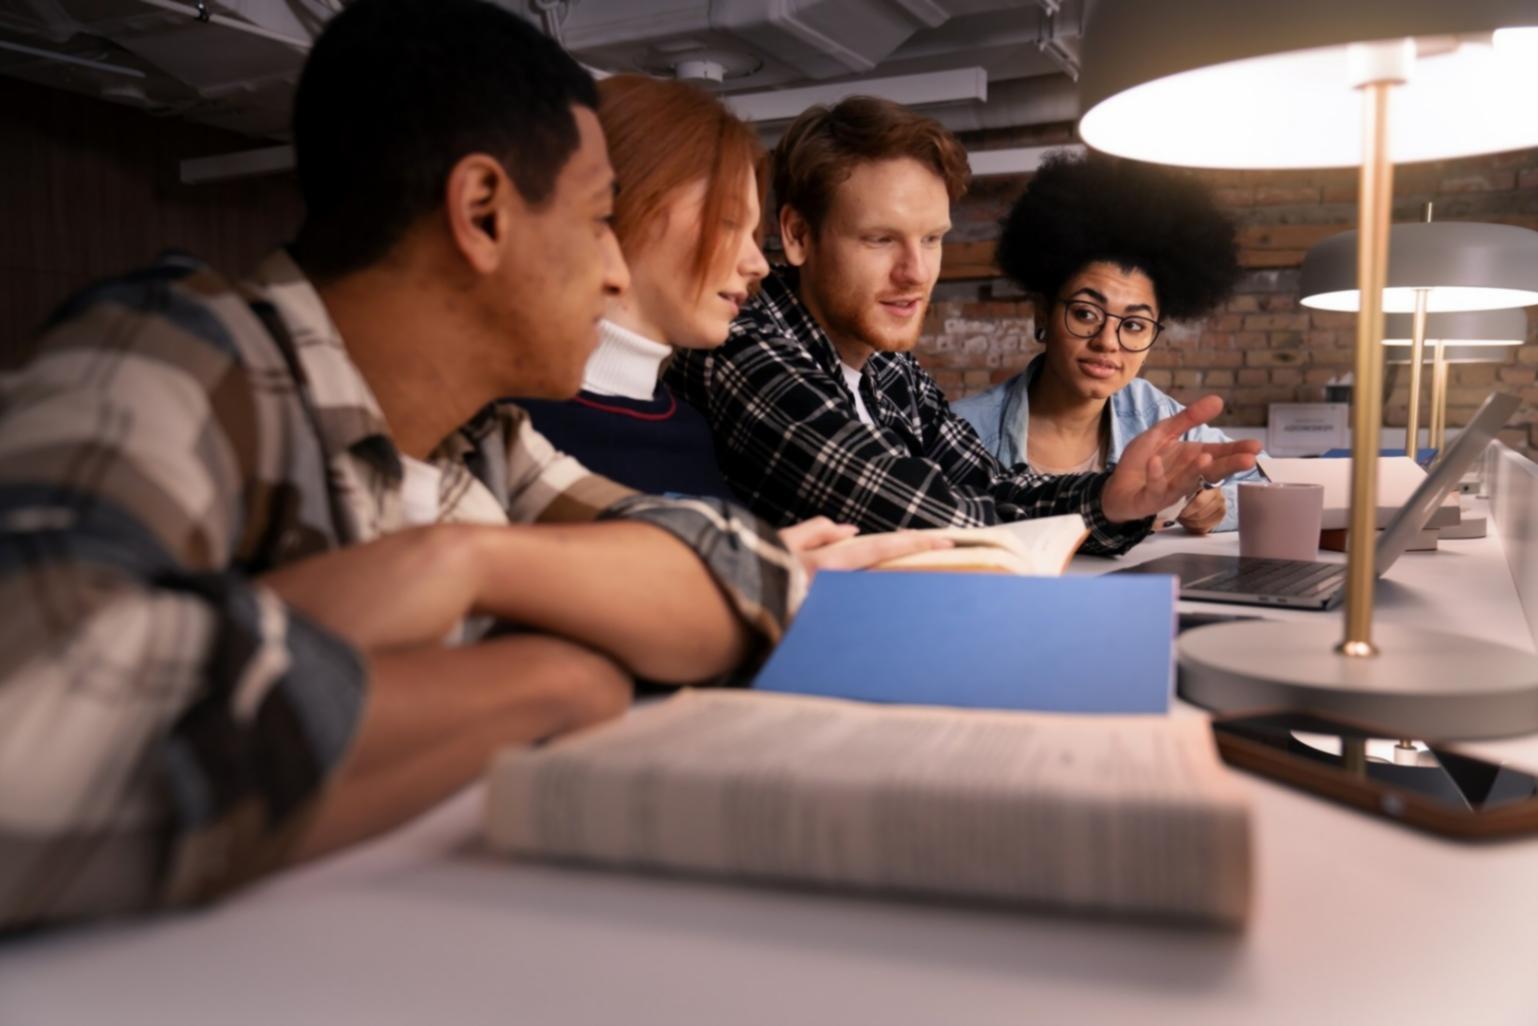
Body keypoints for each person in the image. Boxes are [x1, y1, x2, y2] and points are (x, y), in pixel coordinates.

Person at [0, 0, 920, 932]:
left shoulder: (474, 438)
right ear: (482, 213)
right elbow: (32, 741)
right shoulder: (170, 361)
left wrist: (454, 564)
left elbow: (735, 572)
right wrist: (551, 680)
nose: (614, 272)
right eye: (601, 219)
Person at [666, 96, 1259, 552]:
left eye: (932, 239)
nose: (916, 273)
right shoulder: (742, 344)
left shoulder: (893, 370)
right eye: (880, 240)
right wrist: (1098, 509)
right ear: (797, 235)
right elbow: (921, 513)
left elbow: (992, 487)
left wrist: (1111, 500)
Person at [952, 152, 1263, 533]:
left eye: (1133, 325)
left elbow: (1261, 485)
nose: (1107, 342)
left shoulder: (1155, 416)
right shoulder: (965, 430)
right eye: (1085, 313)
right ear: (1042, 313)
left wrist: (1215, 506)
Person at [515, 74, 768, 500]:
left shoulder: (688, 428)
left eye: (754, 233)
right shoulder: (511, 428)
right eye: (727, 222)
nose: (757, 264)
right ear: (625, 203)